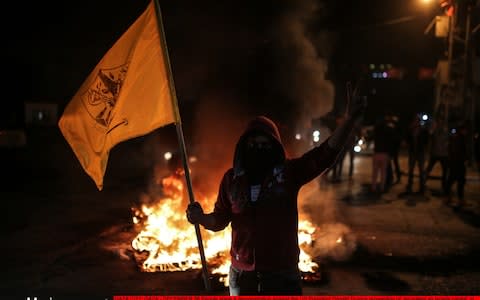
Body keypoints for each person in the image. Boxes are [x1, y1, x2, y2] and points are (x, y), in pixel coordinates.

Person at [186, 97, 366, 295]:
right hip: (242, 277)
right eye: (253, 144)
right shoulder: (232, 180)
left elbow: (324, 155)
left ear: (275, 147)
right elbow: (219, 219)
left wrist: (348, 121)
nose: (259, 149)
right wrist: (201, 218)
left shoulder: (288, 174)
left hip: (281, 276)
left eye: (265, 144)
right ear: (243, 147)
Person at [405, 113, 430, 194]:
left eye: (417, 120)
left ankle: (422, 187)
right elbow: (407, 139)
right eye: (415, 120)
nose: (416, 122)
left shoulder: (423, 130)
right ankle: (409, 185)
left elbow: (426, 139)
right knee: (411, 170)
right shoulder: (410, 130)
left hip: (420, 152)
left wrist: (424, 148)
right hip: (412, 152)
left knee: (421, 170)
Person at [445, 122, 468, 208]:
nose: (466, 131)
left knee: (452, 180)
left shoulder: (456, 138)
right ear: (462, 130)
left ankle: (449, 197)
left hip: (455, 163)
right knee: (459, 181)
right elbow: (456, 152)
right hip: (458, 163)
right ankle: (459, 199)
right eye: (465, 130)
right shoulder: (459, 139)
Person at [425, 119, 449, 194]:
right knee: (429, 168)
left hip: (443, 155)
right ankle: (423, 182)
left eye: (442, 124)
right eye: (439, 124)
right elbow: (430, 141)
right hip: (435, 154)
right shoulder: (434, 132)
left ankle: (444, 186)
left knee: (445, 171)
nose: (440, 125)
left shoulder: (446, 133)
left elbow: (448, 143)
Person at [371, 114, 392, 193]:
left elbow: (370, 137)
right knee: (383, 172)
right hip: (384, 153)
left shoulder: (376, 130)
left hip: (377, 153)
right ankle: (382, 187)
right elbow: (390, 142)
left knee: (375, 172)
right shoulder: (388, 130)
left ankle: (373, 187)